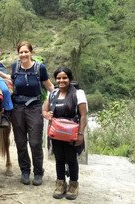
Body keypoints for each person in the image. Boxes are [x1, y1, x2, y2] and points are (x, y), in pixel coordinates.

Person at [0, 41, 54, 186]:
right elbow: (12, 80)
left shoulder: (39, 68)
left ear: (31, 53)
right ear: (18, 54)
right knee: (20, 142)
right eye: (21, 52)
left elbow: (49, 87)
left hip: (35, 108)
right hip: (17, 108)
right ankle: (25, 171)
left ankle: (38, 172)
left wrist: (54, 104)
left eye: (26, 52)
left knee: (35, 142)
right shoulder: (16, 66)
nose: (23, 54)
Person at [42, 66, 87, 200]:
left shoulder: (78, 93)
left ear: (70, 79)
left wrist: (80, 134)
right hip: (56, 133)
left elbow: (83, 116)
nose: (61, 80)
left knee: (72, 159)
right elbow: (44, 111)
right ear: (55, 80)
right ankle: (60, 184)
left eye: (64, 78)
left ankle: (73, 185)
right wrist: (47, 114)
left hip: (71, 133)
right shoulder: (53, 93)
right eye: (58, 78)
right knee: (59, 159)